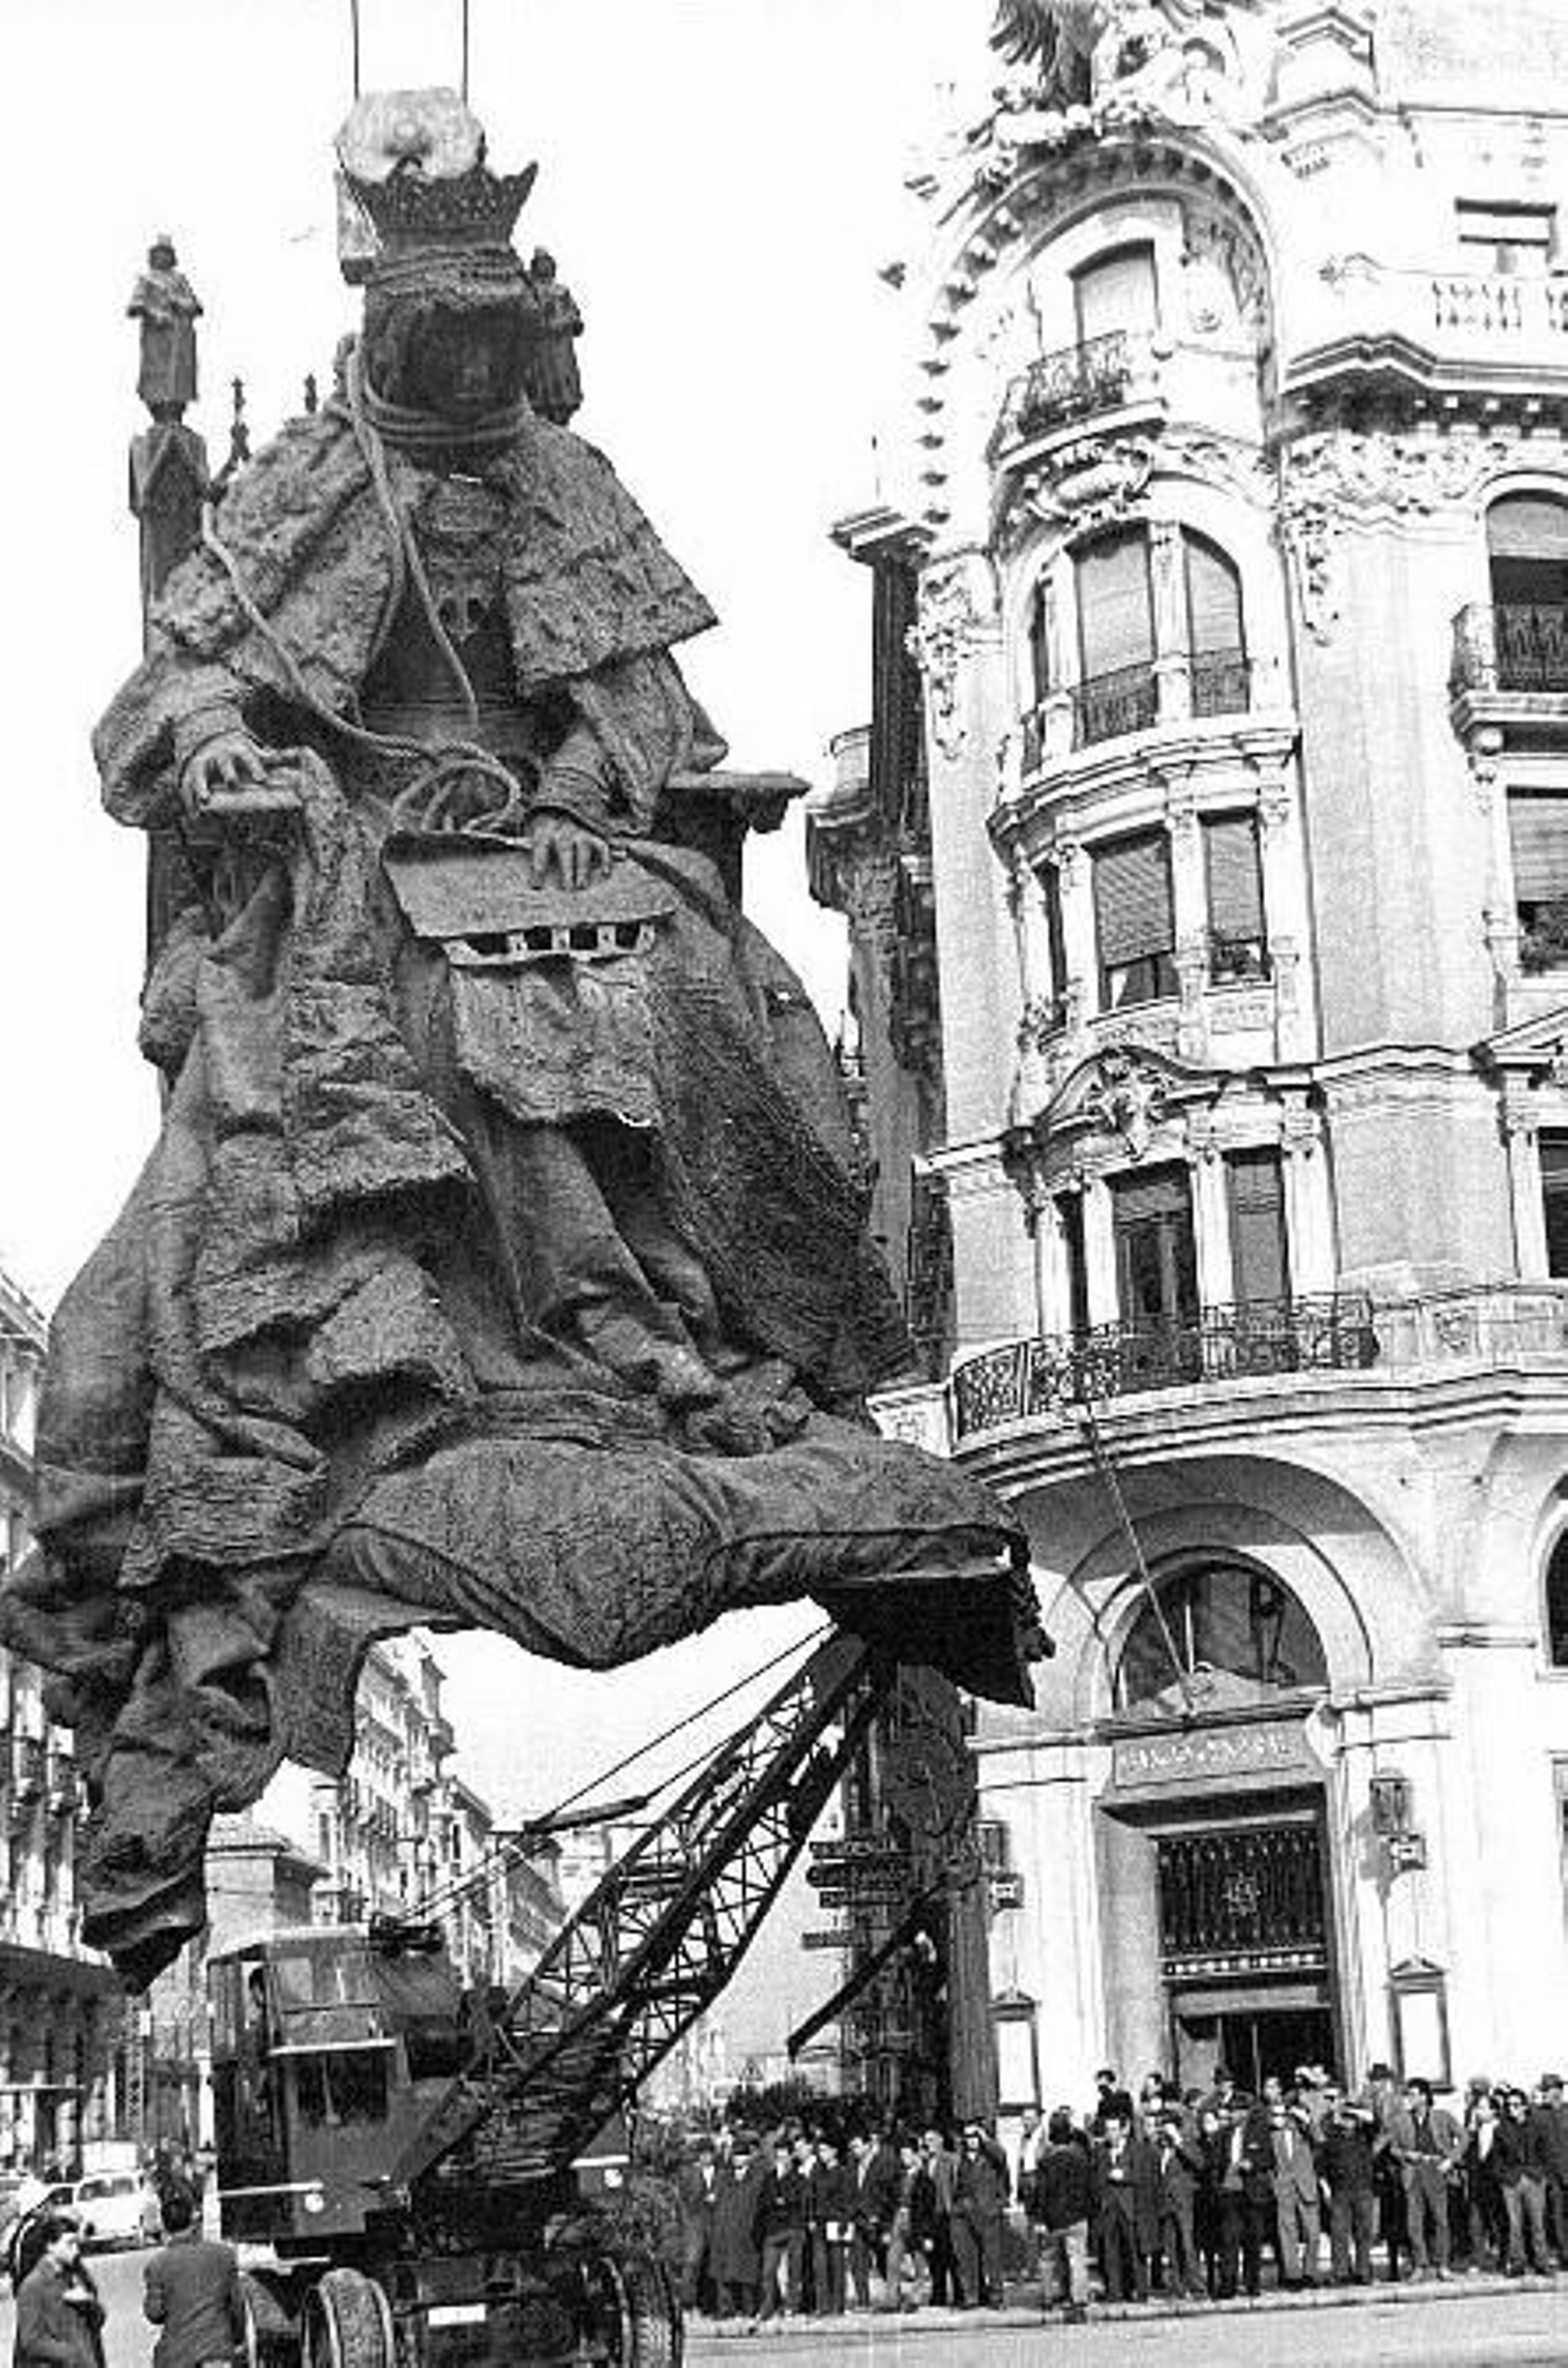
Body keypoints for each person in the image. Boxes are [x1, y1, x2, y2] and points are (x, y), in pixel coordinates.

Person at [2, 85, 1029, 1990]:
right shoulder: (318, 473)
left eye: (492, 326)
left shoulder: (564, 483)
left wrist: (569, 774)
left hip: (571, 845)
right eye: (434, 325)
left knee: (673, 981)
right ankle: (571, 1331)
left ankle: (683, 1326)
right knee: (413, 996)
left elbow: (641, 698)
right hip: (352, 871)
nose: (462, 358)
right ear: (388, 317)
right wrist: (236, 744)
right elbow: (165, 704)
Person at [142, 2185, 245, 2368]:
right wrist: (236, 2341)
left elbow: (154, 2313)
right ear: (193, 2221)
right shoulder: (224, 2255)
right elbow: (237, 2306)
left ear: (165, 2226)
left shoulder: (157, 2265)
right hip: (218, 2350)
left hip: (177, 2356)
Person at [1385, 2077, 1461, 2279]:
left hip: (1437, 2169)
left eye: (1415, 2094)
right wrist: (1406, 2155)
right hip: (1413, 2171)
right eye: (1409, 2094)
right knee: (1414, 2221)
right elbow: (1392, 2148)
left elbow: (1464, 2137)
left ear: (1426, 2097)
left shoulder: (1442, 2116)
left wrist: (1451, 2160)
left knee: (1440, 2219)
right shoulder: (1400, 2120)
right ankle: (1420, 2264)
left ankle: (1443, 2264)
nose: (1411, 2098)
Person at [13, 2215, 103, 2368]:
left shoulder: (76, 2276)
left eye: (76, 2243)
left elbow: (97, 2322)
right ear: (50, 2246)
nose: (75, 2250)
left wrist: (88, 2303)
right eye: (69, 2244)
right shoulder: (33, 2286)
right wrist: (72, 2354)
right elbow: (31, 2341)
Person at [1091, 2106, 1158, 2303]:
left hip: (1130, 2207)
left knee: (1135, 2251)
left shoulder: (1138, 2150)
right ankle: (1115, 2291)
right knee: (1110, 2251)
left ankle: (1140, 2290)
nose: (1109, 2134)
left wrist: (1124, 2176)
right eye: (1107, 2130)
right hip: (1108, 2207)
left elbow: (1145, 2177)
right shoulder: (1100, 2151)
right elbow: (1094, 2177)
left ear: (1124, 2130)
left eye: (1113, 2129)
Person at [1032, 2106, 1094, 2322]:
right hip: (1077, 2217)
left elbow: (1041, 2192)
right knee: (1077, 2259)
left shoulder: (1046, 2160)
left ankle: (1048, 2298)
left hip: (1052, 2219)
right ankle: (1078, 2300)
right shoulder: (1081, 2157)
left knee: (1047, 2259)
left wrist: (1039, 2218)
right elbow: (1089, 2188)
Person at [1318, 2086, 1378, 2285]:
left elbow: (1374, 2121)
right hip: (1339, 2190)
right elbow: (1322, 2165)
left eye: (1351, 2118)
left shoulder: (1365, 2135)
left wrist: (1353, 2109)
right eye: (1345, 2117)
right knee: (1339, 2233)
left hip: (1363, 2188)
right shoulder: (1331, 2137)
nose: (1348, 2121)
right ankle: (1341, 2273)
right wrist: (1325, 2187)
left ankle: (1364, 2272)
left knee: (1363, 2233)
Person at [1495, 2087, 1553, 2276]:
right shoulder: (1502, 2129)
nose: (1512, 2108)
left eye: (1516, 2105)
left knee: (1537, 2223)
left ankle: (1541, 2261)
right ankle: (1517, 2262)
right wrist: (1503, 2177)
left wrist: (1542, 2175)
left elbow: (1546, 2153)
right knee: (1515, 2224)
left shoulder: (1537, 2127)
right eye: (1509, 2105)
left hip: (1534, 2178)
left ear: (1525, 2107)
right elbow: (1497, 2158)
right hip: (1511, 2181)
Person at [951, 2121, 1009, 2307]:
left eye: (974, 2136)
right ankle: (972, 2296)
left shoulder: (991, 2157)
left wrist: (985, 2138)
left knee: (993, 2258)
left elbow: (1002, 2156)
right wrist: (957, 2206)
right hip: (965, 2213)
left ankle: (996, 2296)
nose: (971, 2140)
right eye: (967, 2137)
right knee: (968, 2258)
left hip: (988, 2212)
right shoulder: (960, 2158)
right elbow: (956, 2185)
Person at [1268, 2095, 1321, 2288]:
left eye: (1282, 2114)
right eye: (1275, 2115)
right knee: (1287, 2232)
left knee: (1313, 2232)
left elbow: (1320, 2139)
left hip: (1306, 2185)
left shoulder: (1302, 2130)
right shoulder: (1271, 2135)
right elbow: (1268, 2165)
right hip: (1284, 2187)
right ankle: (1293, 2275)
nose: (1278, 2118)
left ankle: (1310, 2272)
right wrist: (1274, 2184)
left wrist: (1306, 2119)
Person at [753, 2141, 808, 2322]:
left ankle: (791, 2306)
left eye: (784, 2155)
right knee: (768, 2272)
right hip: (773, 2229)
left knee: (794, 2270)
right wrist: (778, 2202)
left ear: (791, 2156)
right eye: (778, 2155)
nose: (781, 2158)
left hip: (793, 2227)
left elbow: (801, 2202)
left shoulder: (799, 2178)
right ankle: (767, 2306)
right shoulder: (768, 2178)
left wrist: (782, 2201)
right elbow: (763, 2202)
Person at [1153, 2108, 1205, 2297]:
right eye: (1160, 2125)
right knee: (1171, 2246)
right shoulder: (1157, 2147)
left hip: (1183, 2200)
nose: (1161, 2130)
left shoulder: (1187, 2142)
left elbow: (1198, 2163)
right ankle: (1178, 2286)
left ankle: (1196, 2285)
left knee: (1187, 2243)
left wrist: (1178, 2141)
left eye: (1165, 2125)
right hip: (1165, 2201)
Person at [709, 2142, 761, 2324]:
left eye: (742, 2156)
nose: (738, 2159)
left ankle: (749, 2309)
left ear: (748, 2158)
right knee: (722, 2272)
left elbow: (759, 2204)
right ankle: (725, 2310)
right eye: (735, 2156)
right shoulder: (723, 2177)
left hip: (747, 2229)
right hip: (724, 2230)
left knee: (747, 2272)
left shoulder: (757, 2177)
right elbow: (714, 2200)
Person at [846, 2130, 900, 2307]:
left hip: (877, 2220)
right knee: (858, 2264)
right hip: (858, 2220)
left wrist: (883, 2223)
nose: (854, 2150)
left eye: (857, 2146)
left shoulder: (883, 2164)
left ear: (868, 2144)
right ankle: (863, 2302)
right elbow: (850, 2192)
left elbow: (888, 2195)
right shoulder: (852, 2165)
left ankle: (894, 2298)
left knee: (884, 2262)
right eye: (852, 2147)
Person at [881, 2138, 936, 2312]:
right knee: (892, 2261)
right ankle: (892, 2299)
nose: (904, 2157)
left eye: (907, 2154)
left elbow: (929, 2211)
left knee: (920, 2263)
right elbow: (887, 2204)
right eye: (902, 2154)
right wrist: (886, 2228)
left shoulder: (925, 2181)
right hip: (898, 2218)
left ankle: (914, 2298)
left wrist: (928, 2235)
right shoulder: (896, 2178)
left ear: (915, 2155)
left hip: (917, 2221)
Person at [806, 2137, 852, 2317]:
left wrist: (844, 2221)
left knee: (837, 2265)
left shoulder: (842, 2172)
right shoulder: (817, 2172)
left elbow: (848, 2200)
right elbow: (811, 2195)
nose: (821, 2154)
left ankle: (837, 2305)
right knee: (820, 2265)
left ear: (834, 2151)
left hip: (836, 2222)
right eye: (820, 2150)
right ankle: (822, 2305)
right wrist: (810, 2217)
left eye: (825, 2150)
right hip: (819, 2222)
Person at [674, 2142, 718, 2316]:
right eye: (703, 2154)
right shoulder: (689, 2173)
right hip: (695, 2224)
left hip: (715, 2224)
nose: (706, 2157)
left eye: (709, 2153)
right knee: (692, 2264)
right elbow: (685, 2200)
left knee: (713, 2266)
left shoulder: (721, 2173)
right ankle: (686, 2303)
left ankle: (709, 2305)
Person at [919, 2128, 962, 2305]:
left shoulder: (951, 2159)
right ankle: (939, 2295)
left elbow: (957, 2185)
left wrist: (954, 2208)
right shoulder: (924, 2162)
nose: (927, 2144)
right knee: (935, 2259)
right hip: (930, 2216)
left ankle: (960, 2294)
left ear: (940, 2141)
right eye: (925, 2141)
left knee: (952, 2257)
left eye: (931, 2140)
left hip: (946, 2213)